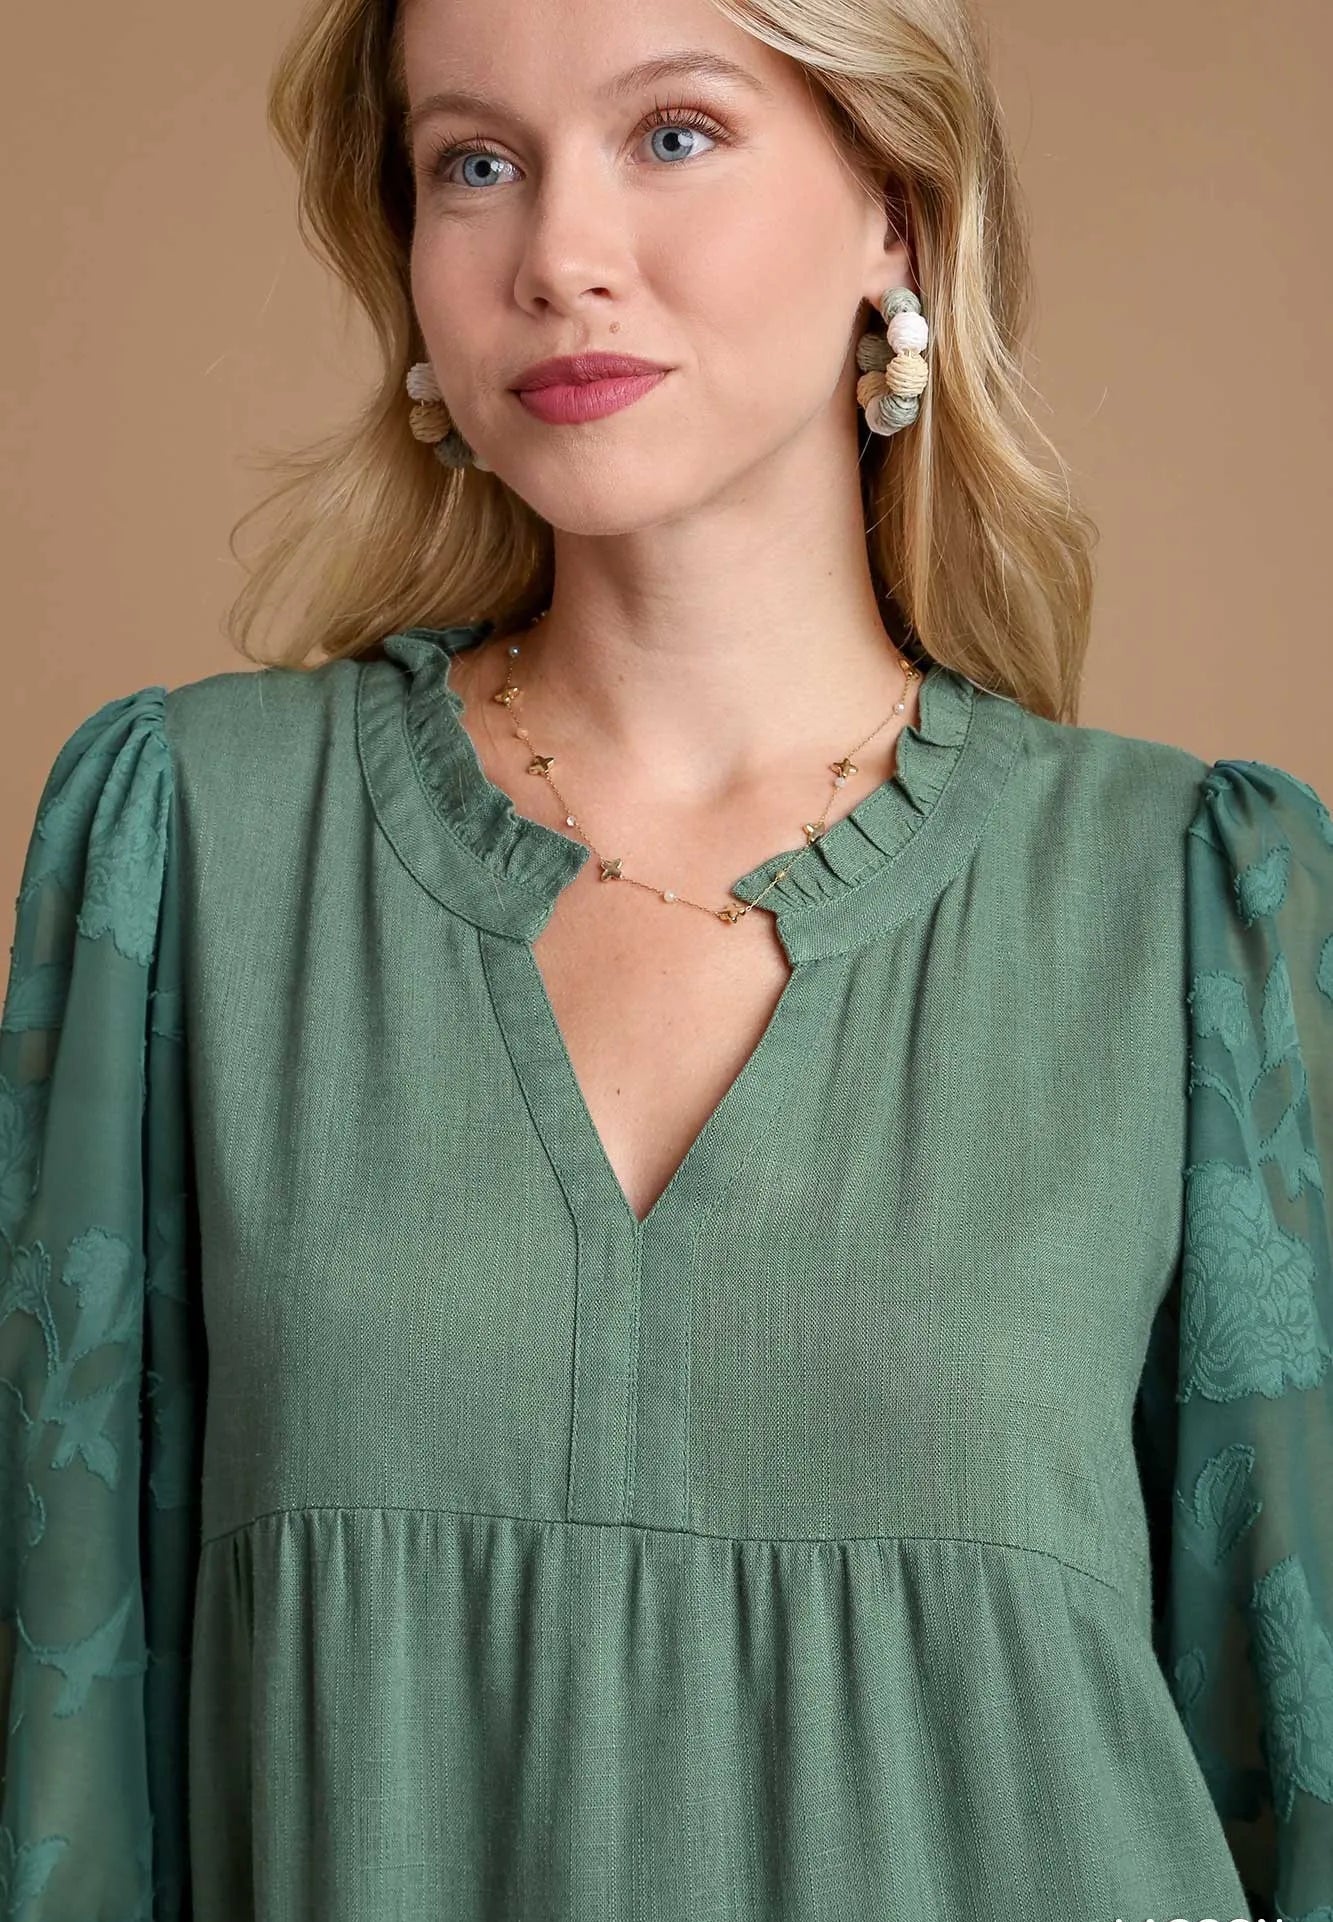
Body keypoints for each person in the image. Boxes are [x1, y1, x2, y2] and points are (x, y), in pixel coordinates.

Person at [1, 0, 1329, 1912]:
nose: (557, 255)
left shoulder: (1191, 906)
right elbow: (64, 1740)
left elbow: (1294, 1761)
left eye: (675, 134)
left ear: (895, 209)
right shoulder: (191, 844)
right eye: (475, 161)